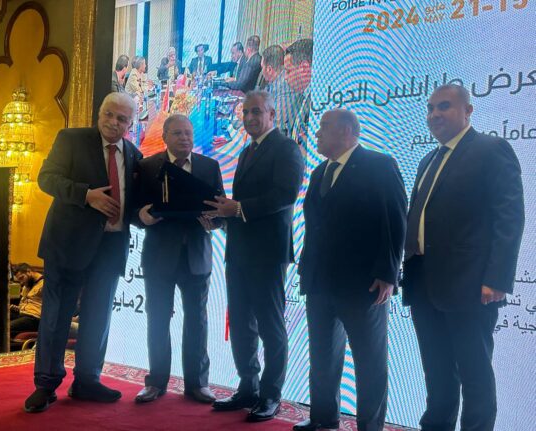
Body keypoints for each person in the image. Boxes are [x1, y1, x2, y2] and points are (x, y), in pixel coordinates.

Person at [402, 84, 524, 431]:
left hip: (470, 285)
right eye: (430, 108)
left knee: (474, 375)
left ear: (468, 111)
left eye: (444, 107)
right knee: (437, 371)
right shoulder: (428, 159)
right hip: (423, 282)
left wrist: (497, 278)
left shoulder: (491, 150)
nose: (434, 115)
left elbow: (509, 217)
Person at [24, 92, 143, 413]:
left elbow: (131, 204)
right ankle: (46, 385)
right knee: (56, 317)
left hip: (111, 249)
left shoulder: (134, 155)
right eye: (108, 114)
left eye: (121, 119)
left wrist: (145, 216)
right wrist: (86, 195)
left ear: (131, 123)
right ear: (99, 113)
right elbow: (47, 178)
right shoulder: (72, 139)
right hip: (68, 245)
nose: (113, 122)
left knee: (98, 317)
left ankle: (87, 380)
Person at [294, 109, 407, 431]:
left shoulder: (379, 165)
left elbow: (395, 220)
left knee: (369, 362)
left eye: (324, 127)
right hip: (319, 282)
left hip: (364, 284)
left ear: (346, 131)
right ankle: (323, 418)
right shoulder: (320, 172)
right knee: (322, 356)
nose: (317, 133)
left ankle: (369, 427)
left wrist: (388, 274)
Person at [205, 90, 304, 422]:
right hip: (239, 251)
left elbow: (285, 195)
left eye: (256, 112)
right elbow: (241, 205)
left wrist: (238, 209)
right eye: (245, 112)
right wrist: (221, 216)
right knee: (241, 324)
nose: (249, 118)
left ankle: (271, 394)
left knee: (270, 326)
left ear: (272, 115)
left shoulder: (286, 148)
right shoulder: (248, 151)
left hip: (267, 253)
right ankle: (248, 387)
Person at [134, 114, 224, 405]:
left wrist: (215, 222)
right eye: (178, 133)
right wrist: (141, 217)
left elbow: (220, 211)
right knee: (158, 319)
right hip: (159, 257)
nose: (185, 138)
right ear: (165, 137)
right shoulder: (148, 167)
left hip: (197, 256)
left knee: (197, 321)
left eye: (188, 133)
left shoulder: (210, 167)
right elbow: (135, 210)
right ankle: (156, 382)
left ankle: (198, 384)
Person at [261, 44, 301, 136]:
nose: (261, 71)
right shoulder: (274, 81)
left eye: (262, 67)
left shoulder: (285, 87)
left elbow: (276, 128)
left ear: (269, 69)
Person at [284, 39, 313, 149]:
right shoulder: (300, 96)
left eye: (288, 71)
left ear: (304, 68)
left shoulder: (319, 101)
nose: (285, 78)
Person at [10, 263, 44, 339]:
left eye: (22, 278)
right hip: (22, 315)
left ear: (29, 271)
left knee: (4, 329)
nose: (21, 282)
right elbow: (24, 304)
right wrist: (17, 308)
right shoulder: (27, 285)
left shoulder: (45, 284)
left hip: (34, 318)